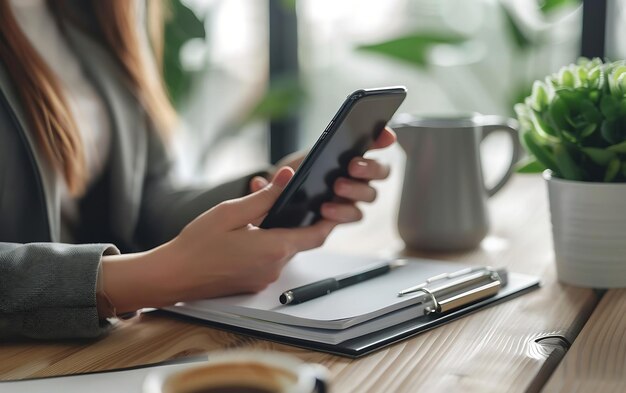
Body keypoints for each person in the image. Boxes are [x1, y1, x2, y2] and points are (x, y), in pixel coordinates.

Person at [0, 0, 396, 339]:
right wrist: (151, 277)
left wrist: (265, 192)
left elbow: (145, 198)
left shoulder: (99, 11)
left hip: (106, 350)